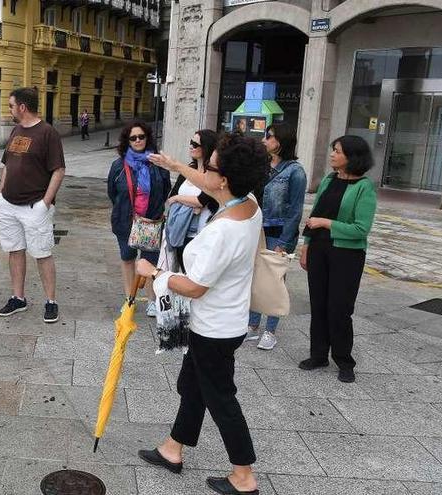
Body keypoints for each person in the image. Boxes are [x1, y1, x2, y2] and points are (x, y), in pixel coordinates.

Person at [138, 133, 269, 495]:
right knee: (192, 386)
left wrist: (157, 274)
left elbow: (195, 287)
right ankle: (173, 449)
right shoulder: (249, 203)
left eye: (208, 166)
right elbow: (206, 184)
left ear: (223, 178)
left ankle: (244, 475)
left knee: (220, 397)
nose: (202, 171)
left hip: (213, 328)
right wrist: (176, 166)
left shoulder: (222, 232)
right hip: (224, 321)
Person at [298, 135, 377, 384]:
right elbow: (315, 214)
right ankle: (318, 355)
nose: (332, 154)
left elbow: (361, 229)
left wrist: (327, 224)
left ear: (352, 157)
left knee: (340, 309)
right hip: (320, 249)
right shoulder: (329, 180)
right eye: (332, 149)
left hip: (347, 254)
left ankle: (344, 361)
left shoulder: (364, 188)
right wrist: (306, 246)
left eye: (337, 151)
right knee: (318, 304)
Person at [0, 87, 66, 324]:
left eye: (11, 106)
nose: (9, 110)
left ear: (22, 107)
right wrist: (1, 193)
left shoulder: (47, 133)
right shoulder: (16, 130)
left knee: (42, 253)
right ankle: (18, 298)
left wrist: (45, 203)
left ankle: (51, 301)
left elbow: (58, 170)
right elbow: (6, 163)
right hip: (9, 204)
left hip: (34, 206)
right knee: (14, 250)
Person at [247, 124, 307, 351]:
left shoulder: (295, 171)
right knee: (253, 278)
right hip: (257, 229)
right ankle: (252, 326)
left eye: (269, 137)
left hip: (279, 233)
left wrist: (284, 241)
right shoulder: (262, 167)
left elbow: (295, 210)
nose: (265, 140)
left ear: (281, 142)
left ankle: (270, 330)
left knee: (273, 281)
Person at [107, 120, 171, 316]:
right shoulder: (118, 166)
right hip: (125, 220)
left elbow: (166, 189)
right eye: (133, 137)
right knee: (127, 258)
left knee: (150, 262)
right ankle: (130, 299)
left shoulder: (158, 164)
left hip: (151, 221)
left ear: (147, 138)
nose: (137, 140)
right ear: (127, 141)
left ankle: (152, 300)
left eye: (141, 137)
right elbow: (112, 192)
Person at [165, 130, 219, 272]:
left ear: (207, 147)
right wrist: (187, 201)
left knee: (194, 271)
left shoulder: (212, 173)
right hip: (180, 228)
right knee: (181, 269)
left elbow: (202, 200)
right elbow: (171, 197)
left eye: (195, 144)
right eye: (191, 142)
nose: (191, 146)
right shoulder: (189, 169)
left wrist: (179, 199)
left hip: (201, 230)